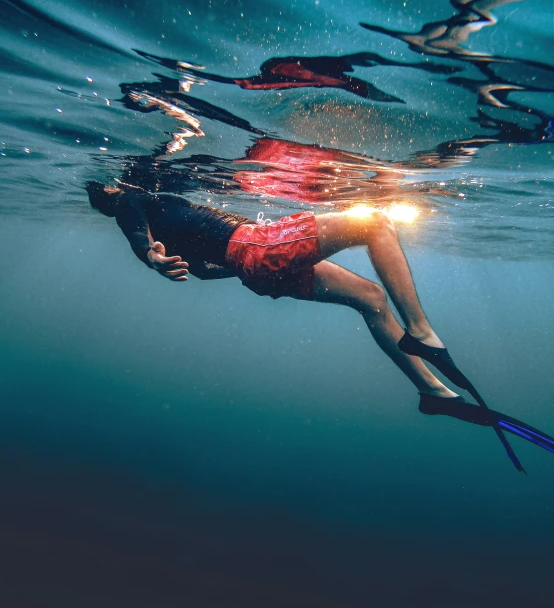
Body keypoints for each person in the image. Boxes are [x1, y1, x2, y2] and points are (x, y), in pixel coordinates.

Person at [86, 180, 553, 471]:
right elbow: (135, 231)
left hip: (255, 266)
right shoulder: (130, 203)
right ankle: (421, 331)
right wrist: (149, 255)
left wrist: (234, 264)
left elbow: (206, 271)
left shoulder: (156, 208)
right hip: (258, 247)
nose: (120, 188)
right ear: (111, 193)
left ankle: (432, 393)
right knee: (375, 223)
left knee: (370, 298)